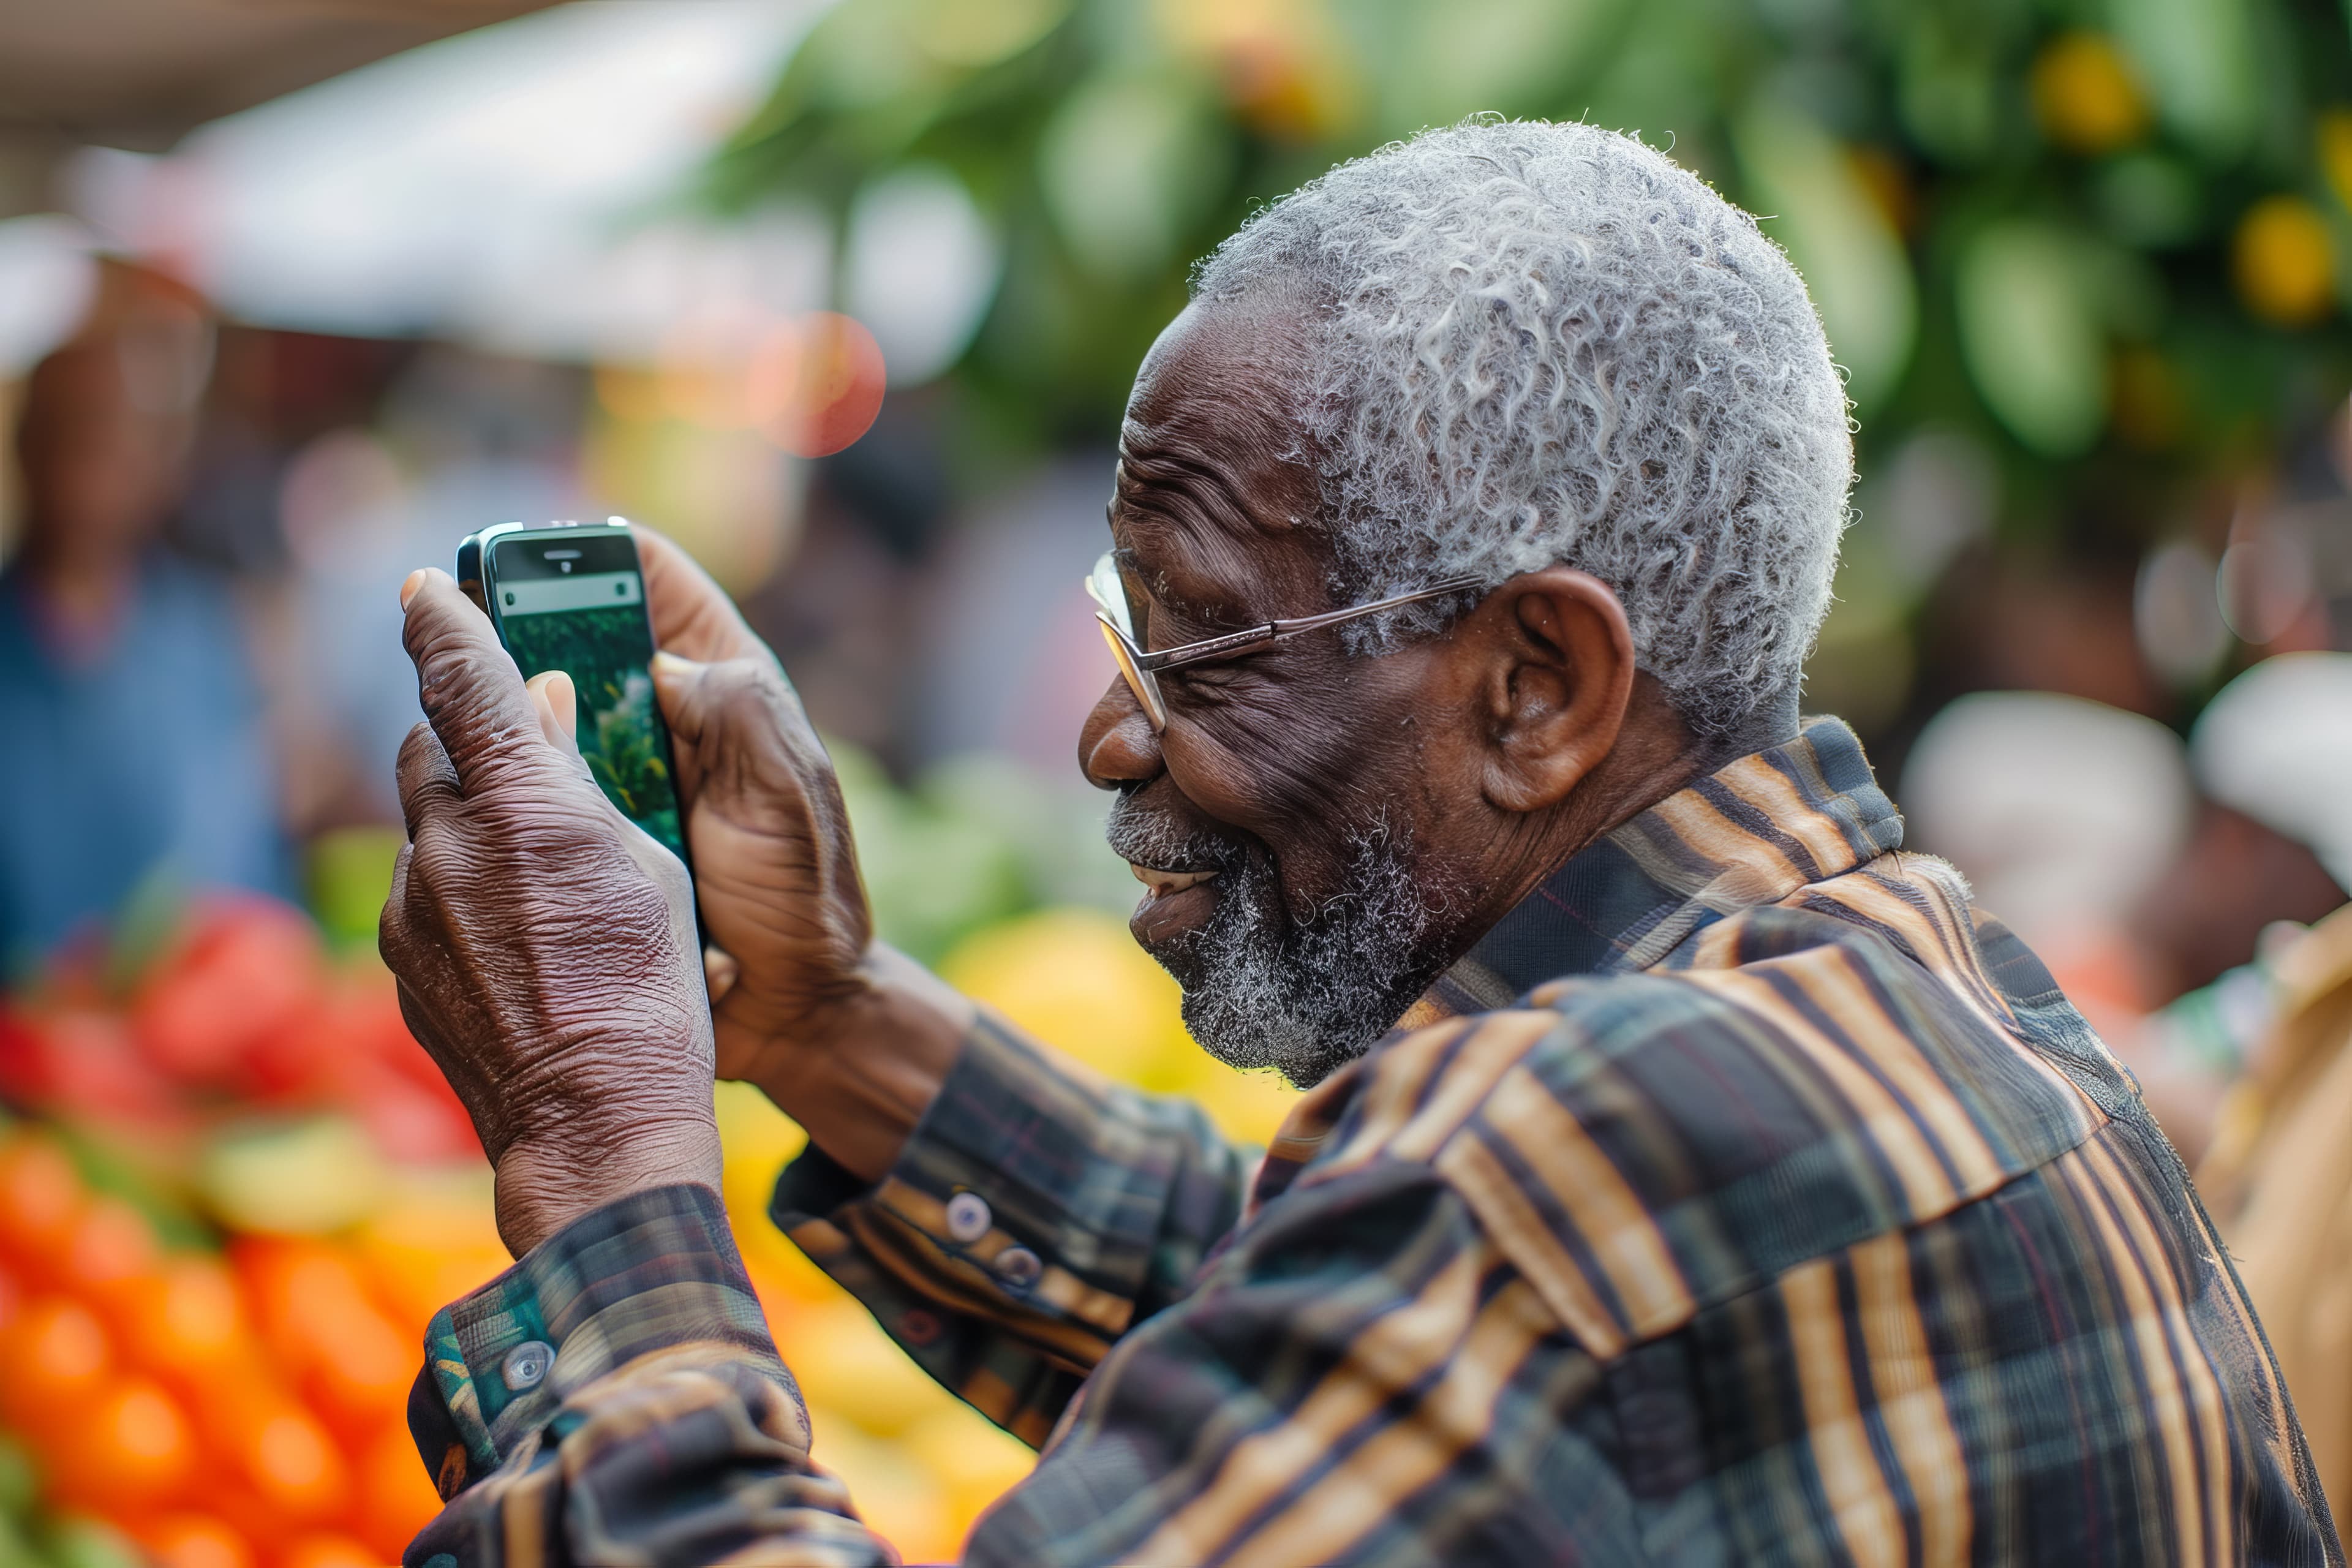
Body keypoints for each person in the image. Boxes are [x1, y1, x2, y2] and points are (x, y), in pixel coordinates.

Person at [377, 122, 2337, 1565]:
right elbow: (1327, 1320)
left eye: (1199, 624)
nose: (1108, 724)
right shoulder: (1909, 972)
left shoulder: (1548, 1184)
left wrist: (603, 1150)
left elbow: (1462, 1271)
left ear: (1536, 684)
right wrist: (824, 1016)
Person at [0, 268, 293, 970]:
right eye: (67, 433)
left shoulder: (205, 642)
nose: (87, 470)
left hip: (183, 1049)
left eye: (116, 435)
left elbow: (247, 879)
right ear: (24, 448)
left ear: (163, 463)